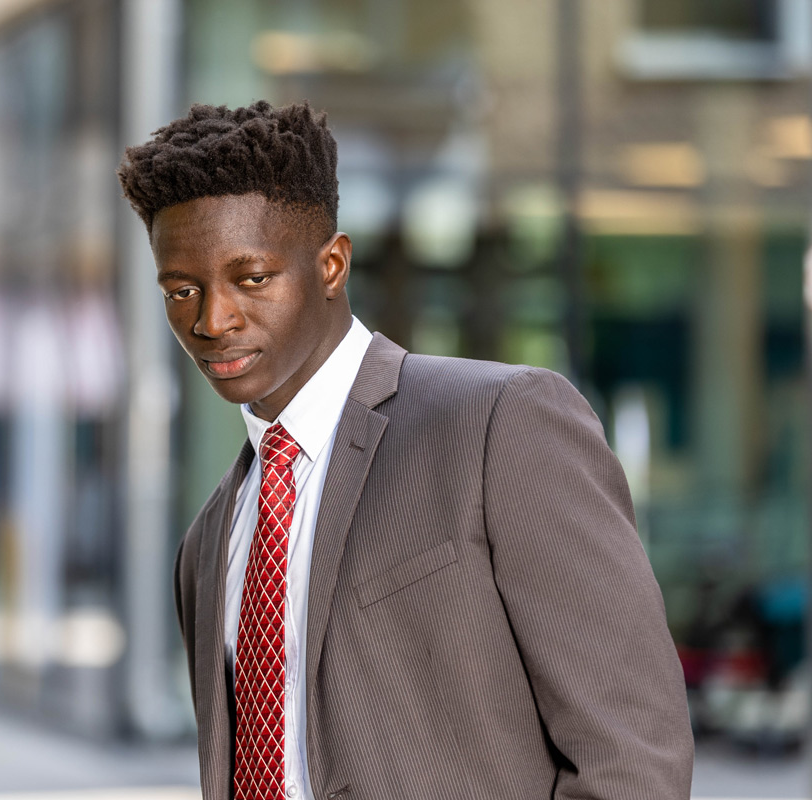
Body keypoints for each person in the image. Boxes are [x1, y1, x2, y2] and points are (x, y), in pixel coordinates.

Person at [117, 100, 692, 799]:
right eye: (182, 290)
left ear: (332, 265)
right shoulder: (209, 542)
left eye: (253, 278)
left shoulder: (500, 425)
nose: (212, 319)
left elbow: (632, 757)